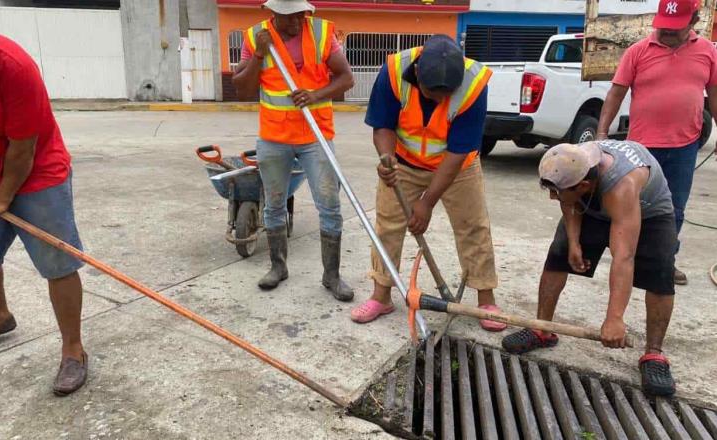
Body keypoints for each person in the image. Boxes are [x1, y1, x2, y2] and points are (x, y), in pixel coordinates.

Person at [350, 34, 506, 331]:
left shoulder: (474, 84)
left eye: (446, 93)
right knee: (387, 227)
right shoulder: (394, 71)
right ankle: (381, 295)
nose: (440, 99)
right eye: (433, 92)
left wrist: (427, 202)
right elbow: (382, 125)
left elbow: (458, 151)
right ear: (418, 72)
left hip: (458, 166)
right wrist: (387, 160)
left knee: (472, 226)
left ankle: (485, 298)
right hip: (404, 163)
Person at [0, 11, 87, 395]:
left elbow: (24, 148)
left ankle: (73, 350)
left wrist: (2, 197)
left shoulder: (14, 66)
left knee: (58, 262)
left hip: (38, 174)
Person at [502, 140, 678, 396]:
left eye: (556, 192)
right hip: (589, 199)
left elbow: (623, 258)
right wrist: (574, 242)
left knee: (660, 274)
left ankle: (654, 354)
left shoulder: (622, 186)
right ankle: (541, 328)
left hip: (650, 212)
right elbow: (568, 200)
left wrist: (614, 318)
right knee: (558, 254)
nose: (552, 197)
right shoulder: (572, 162)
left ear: (584, 185)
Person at [232, 0, 355, 301]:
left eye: (302, 14)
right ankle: (278, 267)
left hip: (316, 135)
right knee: (274, 204)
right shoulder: (254, 37)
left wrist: (316, 94)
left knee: (329, 205)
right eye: (290, 16)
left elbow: (346, 79)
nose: (298, 21)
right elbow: (243, 89)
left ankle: (332, 275)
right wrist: (259, 55)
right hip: (274, 137)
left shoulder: (323, 32)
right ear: (274, 14)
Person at [597, 0, 717, 285]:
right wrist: (601, 135)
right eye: (663, 26)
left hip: (684, 146)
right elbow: (615, 94)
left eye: (674, 28)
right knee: (632, 206)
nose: (666, 32)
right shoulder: (638, 51)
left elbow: (714, 95)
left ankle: (664, 262)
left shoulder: (707, 52)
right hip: (641, 148)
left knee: (673, 208)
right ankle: (630, 260)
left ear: (694, 20)